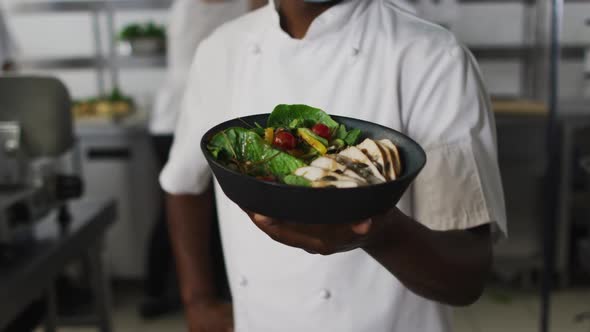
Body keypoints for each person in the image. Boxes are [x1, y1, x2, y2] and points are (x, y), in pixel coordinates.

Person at [161, 0, 507, 331]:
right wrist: (198, 299)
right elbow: (183, 182)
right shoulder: (221, 50)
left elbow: (467, 277)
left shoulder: (432, 57)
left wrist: (380, 232)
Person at [142, 0, 253, 318]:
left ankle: (165, 291)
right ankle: (164, 293)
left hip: (181, 116)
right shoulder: (200, 6)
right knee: (179, 203)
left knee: (181, 208)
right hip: (178, 119)